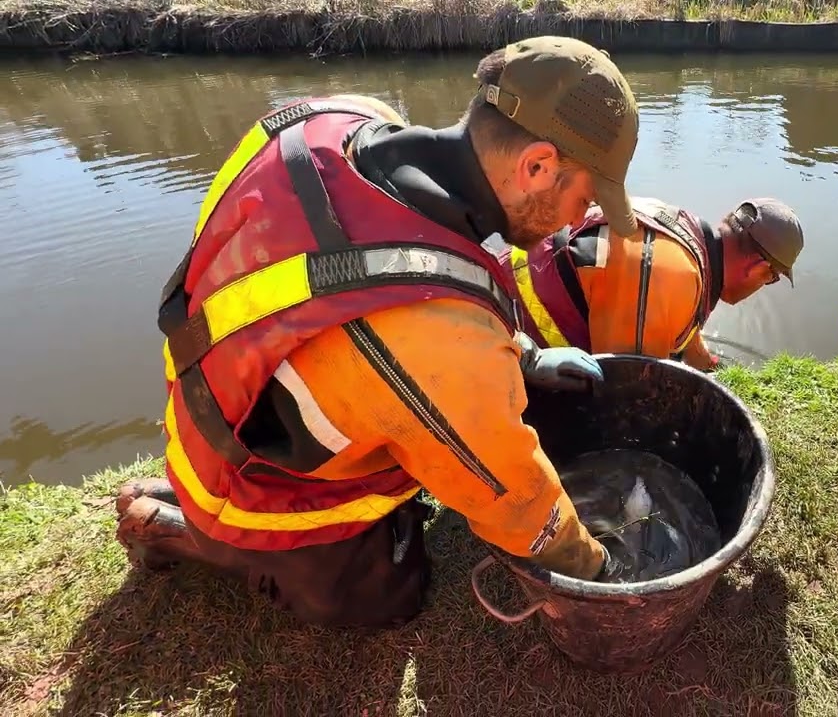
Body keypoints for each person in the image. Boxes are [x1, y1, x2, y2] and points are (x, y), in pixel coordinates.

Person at [114, 36, 642, 629]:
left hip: (219, 393)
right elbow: (517, 501)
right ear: (537, 166)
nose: (580, 221)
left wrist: (520, 355)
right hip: (248, 482)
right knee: (391, 595)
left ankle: (192, 503)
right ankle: (187, 533)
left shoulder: (337, 116)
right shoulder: (438, 339)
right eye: (585, 197)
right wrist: (597, 570)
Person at [499, 196, 804, 371]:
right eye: (772, 278)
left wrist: (711, 369)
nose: (766, 283)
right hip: (499, 336)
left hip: (506, 292)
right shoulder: (675, 276)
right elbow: (627, 386)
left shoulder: (685, 236)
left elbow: (685, 336)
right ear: (758, 268)